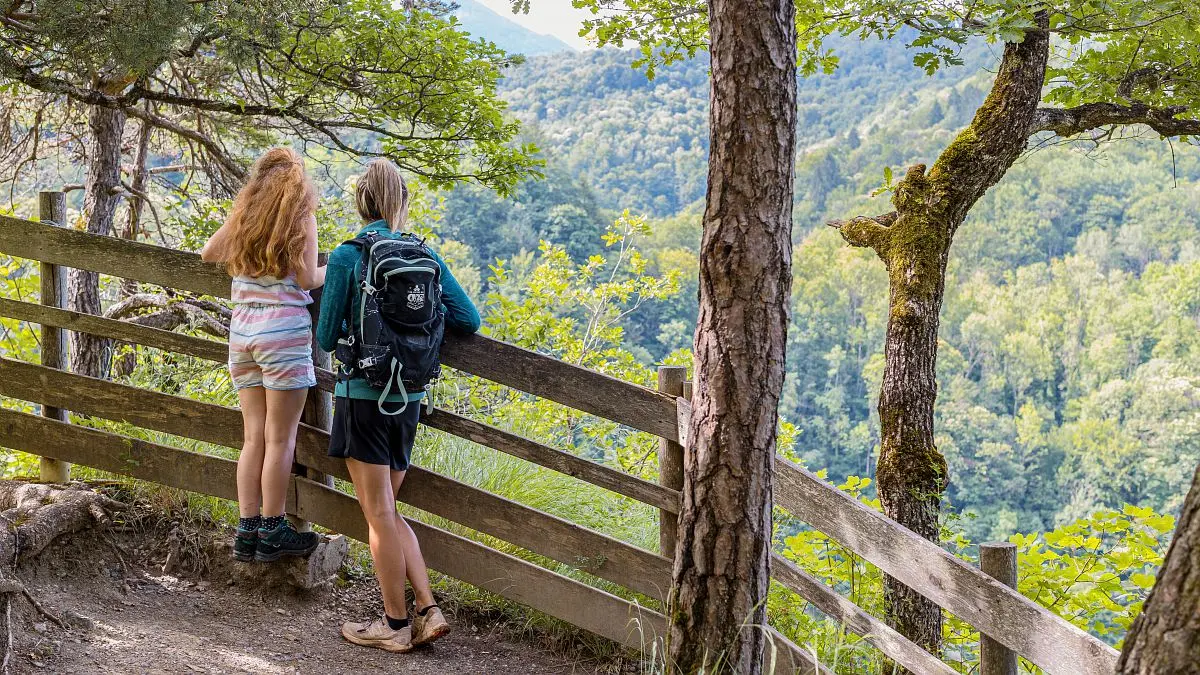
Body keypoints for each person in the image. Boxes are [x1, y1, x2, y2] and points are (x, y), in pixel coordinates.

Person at [316, 159, 480, 653]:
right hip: (409, 398)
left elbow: (325, 335)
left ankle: (393, 625)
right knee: (386, 510)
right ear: (401, 202)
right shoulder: (424, 255)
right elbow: (468, 319)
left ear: (360, 202)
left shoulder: (349, 255)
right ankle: (427, 610)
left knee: (379, 515)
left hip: (362, 397)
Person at [201, 147, 326, 563]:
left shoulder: (246, 218)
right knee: (280, 438)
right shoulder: (301, 218)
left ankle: (247, 530)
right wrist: (335, 268)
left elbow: (209, 252)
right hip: (283, 334)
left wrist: (242, 221)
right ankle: (273, 530)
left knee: (253, 436)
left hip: (243, 334)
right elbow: (306, 279)